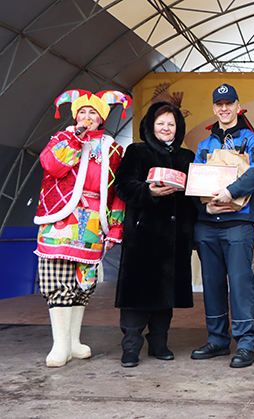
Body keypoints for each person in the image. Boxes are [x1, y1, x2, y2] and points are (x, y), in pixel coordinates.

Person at [34, 89, 130, 367]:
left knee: (83, 283)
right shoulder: (62, 139)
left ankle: (73, 342)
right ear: (75, 116)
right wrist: (76, 138)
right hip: (60, 217)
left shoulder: (113, 149)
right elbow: (53, 167)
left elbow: (117, 191)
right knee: (57, 279)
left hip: (93, 221)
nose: (87, 117)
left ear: (102, 119)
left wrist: (116, 226)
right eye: (82, 112)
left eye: (93, 113)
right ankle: (60, 345)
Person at [113, 101, 198, 368]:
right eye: (160, 123)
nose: (166, 128)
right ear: (150, 126)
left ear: (178, 128)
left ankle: (159, 343)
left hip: (175, 238)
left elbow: (196, 195)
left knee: (165, 294)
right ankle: (130, 347)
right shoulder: (136, 151)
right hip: (143, 237)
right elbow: (122, 185)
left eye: (171, 124)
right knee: (137, 294)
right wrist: (148, 191)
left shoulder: (187, 156)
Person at [191, 83, 254, 368]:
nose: (224, 108)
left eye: (229, 103)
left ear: (238, 106)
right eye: (219, 104)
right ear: (214, 109)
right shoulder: (204, 145)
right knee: (211, 283)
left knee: (240, 284)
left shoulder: (253, 139)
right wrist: (205, 207)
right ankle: (217, 340)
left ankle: (245, 343)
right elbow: (195, 181)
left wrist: (231, 192)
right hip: (207, 224)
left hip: (238, 223)